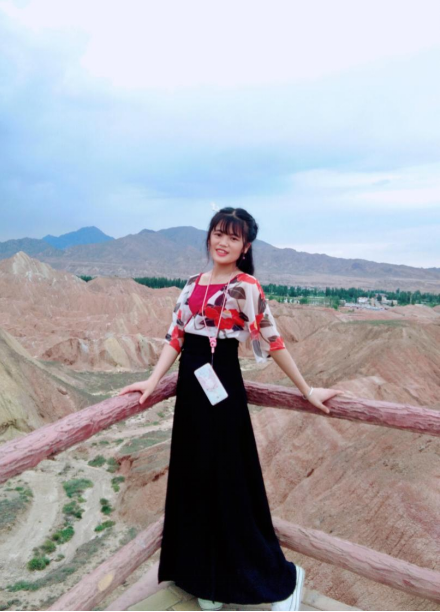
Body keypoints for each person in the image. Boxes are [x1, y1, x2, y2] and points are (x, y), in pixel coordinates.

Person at [118, 207, 349, 611]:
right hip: (191, 396)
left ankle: (282, 580)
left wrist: (307, 389)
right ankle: (206, 580)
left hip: (222, 393)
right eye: (218, 233)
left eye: (233, 237)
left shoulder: (246, 287)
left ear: (245, 247)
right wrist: (152, 381)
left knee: (229, 486)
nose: (222, 242)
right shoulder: (192, 284)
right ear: (209, 236)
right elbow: (176, 337)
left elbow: (273, 340)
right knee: (194, 483)